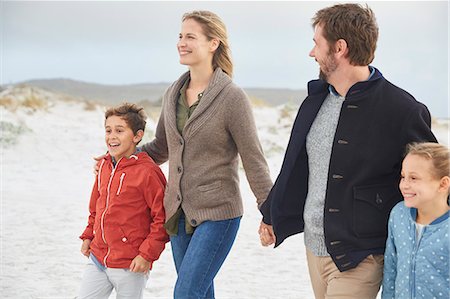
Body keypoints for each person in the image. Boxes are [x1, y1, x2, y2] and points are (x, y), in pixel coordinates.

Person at [258, 3, 437, 299]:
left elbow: (431, 179)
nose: (311, 53)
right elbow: (295, 165)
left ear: (339, 48)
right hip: (313, 248)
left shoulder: (403, 110)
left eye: (316, 43)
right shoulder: (314, 101)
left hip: (361, 254)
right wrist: (272, 214)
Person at [138, 10, 272, 299]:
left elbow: (254, 159)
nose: (181, 43)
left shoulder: (232, 98)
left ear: (213, 44)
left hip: (218, 214)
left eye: (190, 37)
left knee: (186, 293)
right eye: (180, 36)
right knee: (199, 293)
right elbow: (160, 148)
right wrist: (121, 159)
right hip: (178, 214)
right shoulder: (172, 93)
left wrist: (270, 211)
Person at [79, 103, 169, 299]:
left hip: (131, 264)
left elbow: (162, 219)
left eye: (119, 131)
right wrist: (88, 235)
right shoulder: (104, 166)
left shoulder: (148, 172)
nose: (112, 136)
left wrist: (146, 255)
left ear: (137, 136)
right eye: (108, 130)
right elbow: (96, 207)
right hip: (98, 258)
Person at [382, 142, 449, 299]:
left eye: (413, 178)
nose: (404, 185)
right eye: (403, 176)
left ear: (443, 184)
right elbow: (391, 268)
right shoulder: (399, 215)